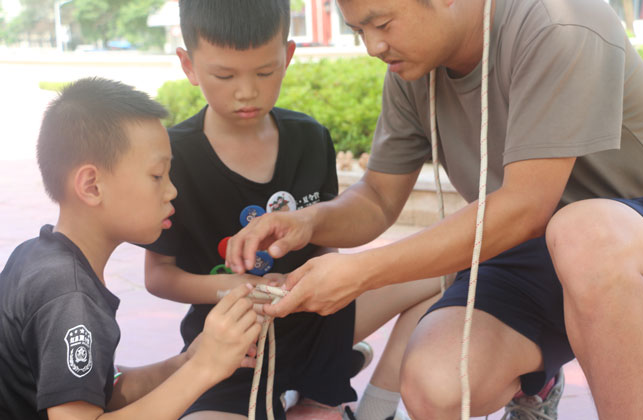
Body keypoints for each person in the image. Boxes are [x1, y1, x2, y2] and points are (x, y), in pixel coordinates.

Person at [225, 0, 643, 419]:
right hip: (524, 258)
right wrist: (309, 221)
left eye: (382, 23)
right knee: (433, 386)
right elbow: (376, 197)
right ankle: (539, 381)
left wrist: (360, 273)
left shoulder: (559, 19)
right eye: (357, 31)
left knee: (580, 232)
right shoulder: (414, 67)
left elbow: (526, 207)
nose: (372, 46)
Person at [142, 1, 441, 419]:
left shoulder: (310, 138)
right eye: (224, 75)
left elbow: (326, 247)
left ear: (288, 57)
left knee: (440, 274)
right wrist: (240, 288)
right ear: (189, 65)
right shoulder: (174, 157)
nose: (246, 91)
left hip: (316, 322)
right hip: (235, 346)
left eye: (265, 72)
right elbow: (159, 276)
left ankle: (368, 406)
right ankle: (319, 381)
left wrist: (309, 285)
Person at [0, 78, 262, 420]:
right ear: (92, 185)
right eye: (157, 176)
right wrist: (205, 369)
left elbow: (97, 388)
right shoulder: (71, 297)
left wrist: (187, 363)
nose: (172, 192)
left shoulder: (35, 256)